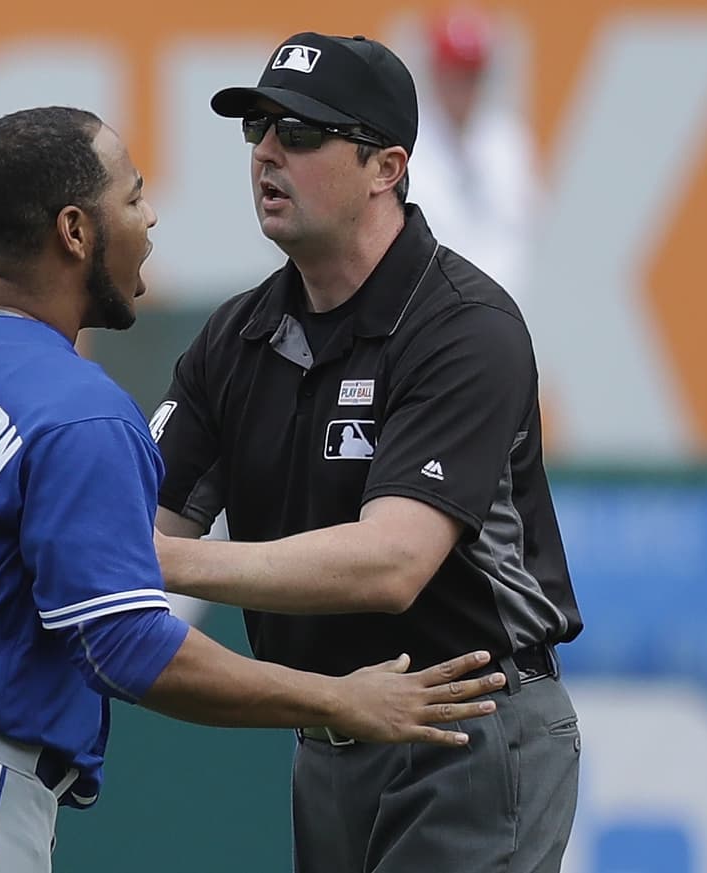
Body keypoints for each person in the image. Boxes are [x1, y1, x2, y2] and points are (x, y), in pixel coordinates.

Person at [0, 106, 506, 873]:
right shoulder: (77, 406)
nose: (149, 218)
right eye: (134, 196)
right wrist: (337, 698)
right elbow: (124, 646)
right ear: (75, 232)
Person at [150, 32, 583, 873]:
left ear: (386, 167)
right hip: (329, 737)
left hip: (468, 723)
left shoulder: (465, 326)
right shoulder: (234, 338)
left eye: (300, 133)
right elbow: (135, 534)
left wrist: (166, 562)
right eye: (257, 128)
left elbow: (392, 563)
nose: (267, 153)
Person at [407, 7, 539, 303]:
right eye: (452, 75)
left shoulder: (507, 141)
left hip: (501, 302)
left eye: (470, 76)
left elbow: (519, 231)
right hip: (429, 303)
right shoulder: (409, 140)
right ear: (435, 74)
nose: (462, 88)